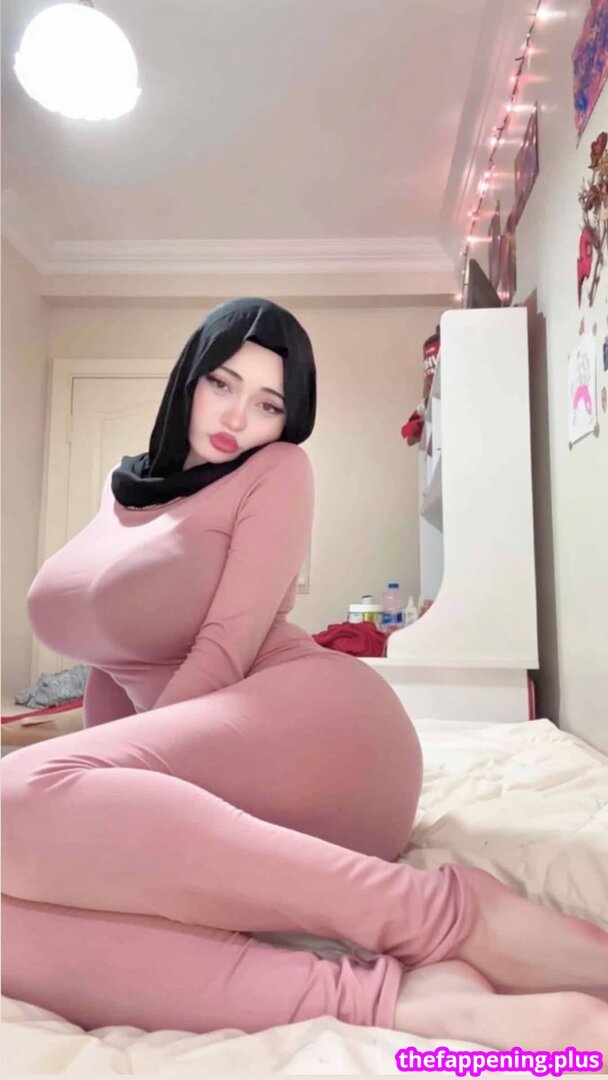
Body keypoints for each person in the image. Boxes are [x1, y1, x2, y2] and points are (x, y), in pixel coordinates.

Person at [2, 298, 607, 1057]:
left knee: (15, 795)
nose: (237, 417)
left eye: (268, 404)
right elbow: (112, 661)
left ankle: (447, 916)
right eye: (222, 383)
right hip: (209, 773)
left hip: (309, 728)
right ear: (189, 375)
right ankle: (402, 1001)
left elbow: (225, 646)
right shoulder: (120, 490)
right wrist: (104, 801)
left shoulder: (276, 470)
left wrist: (106, 778)